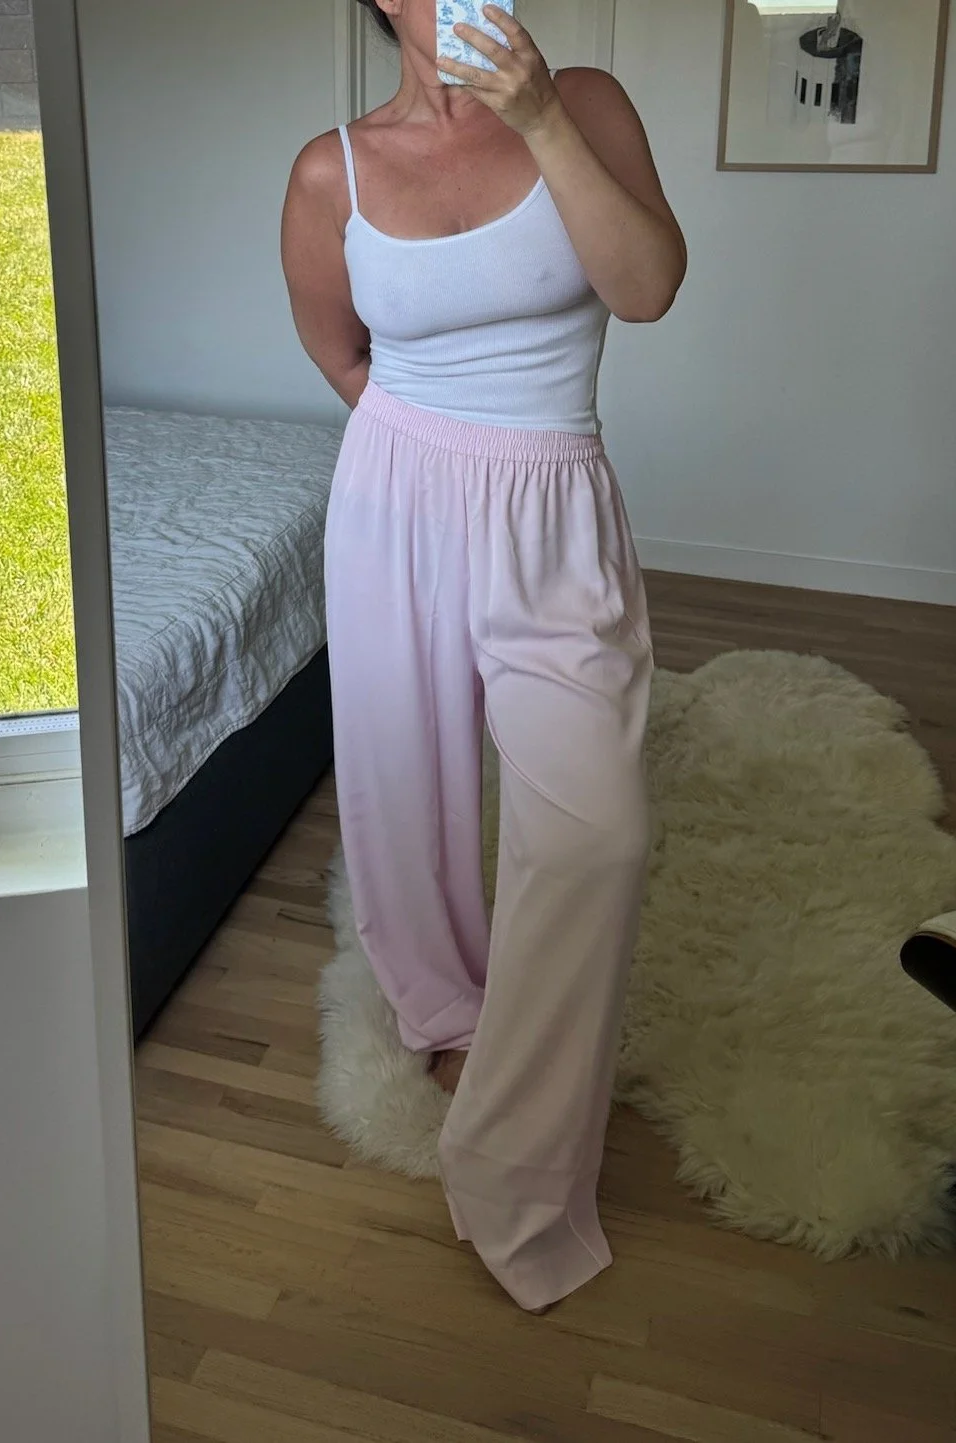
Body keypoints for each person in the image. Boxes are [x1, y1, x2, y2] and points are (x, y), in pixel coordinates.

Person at [281, 0, 686, 1313]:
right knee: (404, 789)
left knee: (595, 833)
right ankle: (445, 1007)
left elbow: (648, 287)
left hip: (553, 502)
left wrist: (540, 117)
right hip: (397, 494)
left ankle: (513, 1168)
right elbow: (341, 351)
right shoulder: (332, 170)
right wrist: (432, 456)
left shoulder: (587, 102)